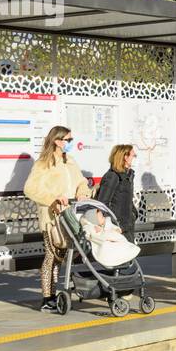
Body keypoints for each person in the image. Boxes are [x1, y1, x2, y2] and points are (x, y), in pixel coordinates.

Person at [24, 125, 91, 312]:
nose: (71, 143)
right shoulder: (43, 163)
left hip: (69, 215)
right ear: (57, 141)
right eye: (68, 140)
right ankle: (47, 298)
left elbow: (81, 182)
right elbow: (30, 189)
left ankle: (60, 293)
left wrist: (82, 192)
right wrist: (52, 198)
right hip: (51, 218)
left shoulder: (70, 161)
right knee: (51, 256)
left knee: (64, 256)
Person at [95, 144, 138, 242]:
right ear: (125, 157)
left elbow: (127, 200)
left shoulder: (128, 175)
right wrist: (112, 226)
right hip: (116, 229)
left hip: (127, 227)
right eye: (133, 155)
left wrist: (133, 214)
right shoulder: (112, 176)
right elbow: (102, 204)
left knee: (129, 255)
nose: (134, 158)